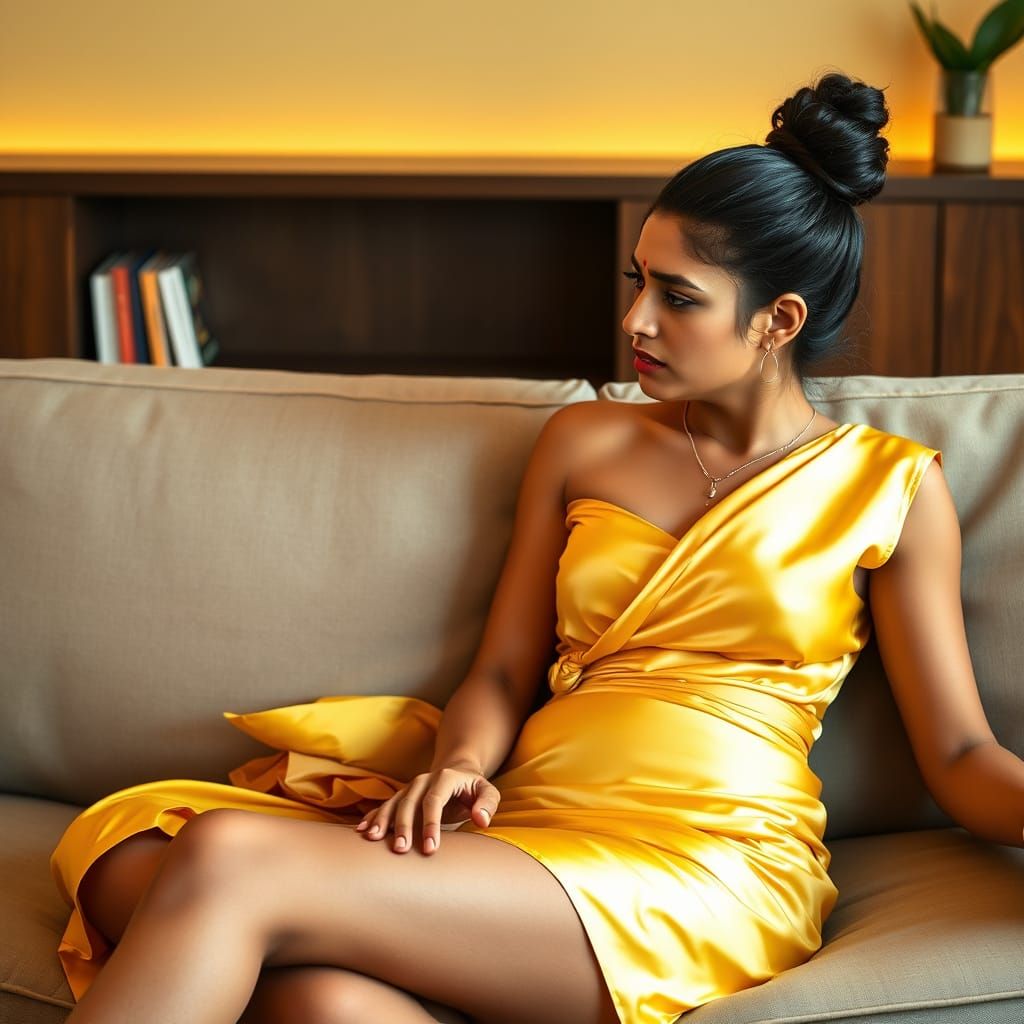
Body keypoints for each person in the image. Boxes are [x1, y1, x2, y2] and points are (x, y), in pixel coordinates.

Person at [52, 70, 1024, 1024]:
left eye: (677, 298)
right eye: (636, 281)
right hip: (526, 818)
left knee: (223, 861)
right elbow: (507, 665)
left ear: (776, 321)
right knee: (170, 888)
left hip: (705, 857)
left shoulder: (891, 484)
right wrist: (463, 761)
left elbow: (959, 750)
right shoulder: (585, 441)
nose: (634, 320)